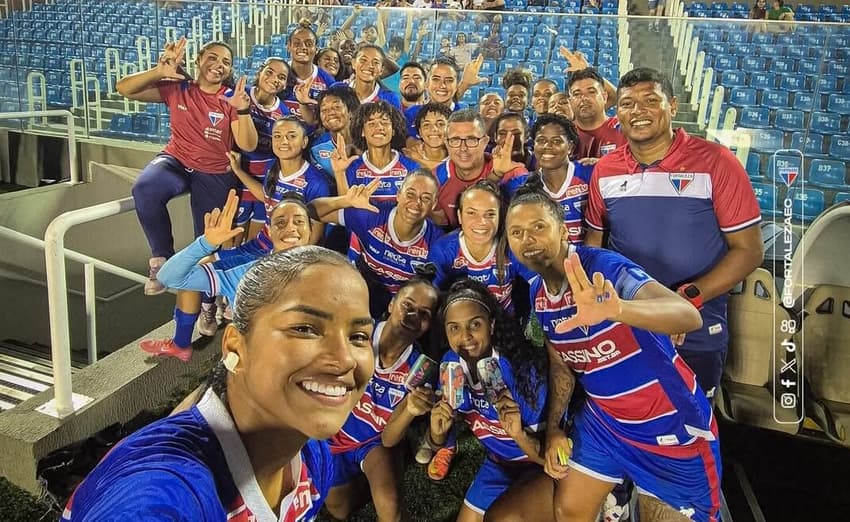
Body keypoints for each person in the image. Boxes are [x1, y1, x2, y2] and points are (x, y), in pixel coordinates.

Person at [61, 246, 376, 521]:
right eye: (305, 328)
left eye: (359, 336)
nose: (345, 359)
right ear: (235, 345)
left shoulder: (312, 456)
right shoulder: (160, 492)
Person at [504, 186, 721, 522]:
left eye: (538, 226)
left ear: (564, 231)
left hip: (669, 426)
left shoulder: (603, 268)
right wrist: (555, 427)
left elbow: (687, 316)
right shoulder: (538, 293)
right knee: (568, 512)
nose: (528, 239)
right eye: (516, 232)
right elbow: (561, 364)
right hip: (605, 423)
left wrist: (618, 309)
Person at [585, 68, 764, 399]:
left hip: (695, 327)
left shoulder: (717, 162)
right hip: (626, 325)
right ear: (617, 113)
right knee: (632, 417)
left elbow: (749, 250)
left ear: (673, 106)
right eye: (627, 103)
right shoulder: (605, 170)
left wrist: (686, 299)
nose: (638, 111)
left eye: (650, 100)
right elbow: (594, 245)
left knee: (692, 421)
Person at [117, 38, 257, 295]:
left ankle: (206, 303)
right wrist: (158, 72)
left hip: (214, 173)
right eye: (212, 57)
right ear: (198, 59)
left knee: (207, 240)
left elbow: (248, 144)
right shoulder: (178, 88)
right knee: (144, 189)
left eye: (226, 62)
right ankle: (161, 260)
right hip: (176, 161)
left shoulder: (231, 99)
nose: (219, 65)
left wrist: (243, 111)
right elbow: (124, 89)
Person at [141, 190, 313, 360]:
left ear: (311, 228)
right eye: (281, 223)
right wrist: (205, 244)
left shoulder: (327, 272)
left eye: (299, 221)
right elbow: (168, 277)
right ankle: (184, 339)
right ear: (270, 230)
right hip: (253, 365)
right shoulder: (244, 272)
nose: (291, 228)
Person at [427, 279, 548, 521]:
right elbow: (439, 441)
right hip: (498, 463)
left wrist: (518, 435)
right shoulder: (450, 365)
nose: (465, 337)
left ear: (491, 325)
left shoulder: (524, 374)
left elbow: (550, 459)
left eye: (475, 324)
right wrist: (437, 434)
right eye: (454, 328)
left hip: (537, 467)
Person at [325, 277, 439, 522]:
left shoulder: (420, 370)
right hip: (331, 433)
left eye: (424, 313)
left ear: (429, 324)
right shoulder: (355, 335)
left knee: (390, 509)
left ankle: (392, 461)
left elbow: (387, 438)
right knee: (340, 509)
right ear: (391, 304)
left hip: (373, 443)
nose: (413, 315)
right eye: (407, 305)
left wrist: (410, 409)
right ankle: (384, 468)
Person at [311, 171, 443, 318]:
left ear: (434, 204)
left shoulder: (437, 243)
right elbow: (313, 211)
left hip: (398, 310)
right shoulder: (371, 215)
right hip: (357, 293)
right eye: (410, 194)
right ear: (398, 195)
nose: (416, 203)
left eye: (425, 198)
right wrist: (345, 201)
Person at [228, 117, 331, 249]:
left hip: (286, 253)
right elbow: (267, 197)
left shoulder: (316, 183)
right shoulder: (271, 166)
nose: (284, 141)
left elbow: (315, 238)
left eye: (291, 136)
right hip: (261, 244)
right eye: (277, 136)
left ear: (304, 142)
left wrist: (281, 258)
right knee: (208, 259)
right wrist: (238, 170)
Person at [428, 180, 529, 313]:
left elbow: (541, 282)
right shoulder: (443, 250)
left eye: (490, 214)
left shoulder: (511, 246)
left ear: (500, 217)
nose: (481, 222)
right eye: (471, 213)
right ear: (459, 216)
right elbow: (430, 297)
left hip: (504, 321)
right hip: (460, 321)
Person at [505, 114, 592, 245]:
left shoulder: (590, 173)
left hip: (585, 256)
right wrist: (496, 173)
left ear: (570, 147)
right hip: (541, 257)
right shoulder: (520, 184)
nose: (547, 146)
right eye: (541, 140)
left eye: (556, 141)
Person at [234, 57, 293, 245]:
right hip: (237, 179)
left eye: (281, 77)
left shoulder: (283, 113)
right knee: (232, 239)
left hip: (265, 182)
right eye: (270, 72)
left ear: (285, 84)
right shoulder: (240, 94)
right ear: (260, 72)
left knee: (256, 242)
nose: (275, 79)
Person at [432, 109, 526, 228]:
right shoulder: (434, 179)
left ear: (485, 141)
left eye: (471, 140)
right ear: (446, 142)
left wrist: (497, 174)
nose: (463, 148)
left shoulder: (514, 174)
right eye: (455, 140)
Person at [330, 100, 419, 205]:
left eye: (384, 122)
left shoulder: (412, 167)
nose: (379, 127)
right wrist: (339, 173)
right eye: (371, 123)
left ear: (393, 130)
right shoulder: (352, 168)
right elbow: (345, 210)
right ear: (362, 131)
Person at [567, 68, 626, 164]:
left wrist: (605, 165)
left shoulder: (625, 130)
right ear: (570, 101)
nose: (584, 98)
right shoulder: (563, 133)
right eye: (577, 94)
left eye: (591, 92)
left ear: (604, 97)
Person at [283, 21, 337, 121]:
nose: (303, 47)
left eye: (308, 44)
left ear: (316, 49)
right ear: (288, 47)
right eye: (297, 43)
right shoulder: (279, 73)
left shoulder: (327, 80)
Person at [404, 58, 467, 140]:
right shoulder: (411, 114)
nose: (442, 85)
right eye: (436, 79)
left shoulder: (465, 117)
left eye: (449, 80)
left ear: (457, 86)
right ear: (427, 83)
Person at [311, 84, 361, 176]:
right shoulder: (316, 148)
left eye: (337, 107)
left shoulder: (369, 142)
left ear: (352, 112)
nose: (330, 113)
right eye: (324, 110)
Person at [342, 44, 401, 109]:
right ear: (353, 63)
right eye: (363, 60)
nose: (370, 65)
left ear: (381, 70)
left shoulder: (390, 98)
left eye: (376, 62)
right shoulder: (338, 89)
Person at [404, 102, 451, 170]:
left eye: (440, 124)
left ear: (451, 128)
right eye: (426, 125)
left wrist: (419, 161)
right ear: (420, 132)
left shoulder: (460, 155)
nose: (433, 129)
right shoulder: (407, 157)